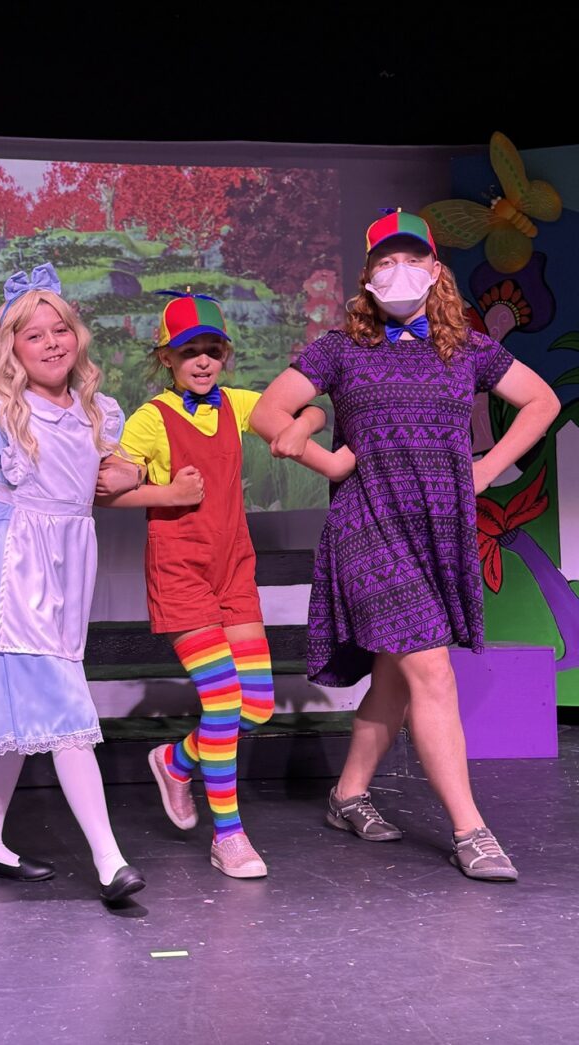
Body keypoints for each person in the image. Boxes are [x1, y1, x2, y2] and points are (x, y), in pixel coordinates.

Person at [251, 210, 560, 881]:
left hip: (436, 528)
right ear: (366, 278)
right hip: (367, 526)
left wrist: (482, 468)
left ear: (435, 268)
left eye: (410, 258)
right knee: (433, 670)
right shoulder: (339, 348)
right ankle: (471, 830)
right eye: (384, 262)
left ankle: (347, 795)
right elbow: (267, 413)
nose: (399, 271)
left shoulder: (469, 349)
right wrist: (327, 458)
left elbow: (542, 402)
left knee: (398, 675)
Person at [0, 264, 201, 901]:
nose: (51, 343)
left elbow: (89, 498)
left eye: (59, 329)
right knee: (66, 706)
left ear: (78, 336)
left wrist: (158, 490)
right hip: (13, 569)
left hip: (68, 566)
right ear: (11, 349)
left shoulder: (97, 412)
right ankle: (108, 859)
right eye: (32, 335)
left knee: (24, 709)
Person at [104, 290, 349, 878]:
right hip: (181, 572)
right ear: (166, 358)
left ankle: (176, 760)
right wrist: (166, 492)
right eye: (191, 351)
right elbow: (109, 488)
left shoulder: (237, 404)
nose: (204, 361)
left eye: (213, 350)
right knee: (222, 700)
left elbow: (305, 409)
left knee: (257, 707)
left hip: (234, 569)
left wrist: (309, 422)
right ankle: (229, 835)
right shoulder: (151, 419)